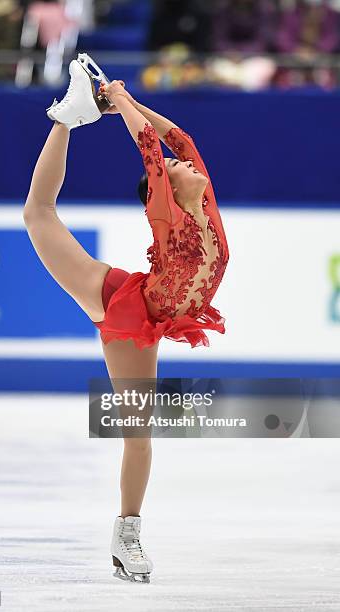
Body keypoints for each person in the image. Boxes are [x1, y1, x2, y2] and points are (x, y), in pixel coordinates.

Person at [23, 56, 229, 582]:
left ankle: (125, 534)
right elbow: (152, 153)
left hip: (159, 315)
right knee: (37, 214)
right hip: (125, 307)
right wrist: (115, 101)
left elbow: (175, 137)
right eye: (179, 169)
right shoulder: (168, 208)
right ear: (165, 189)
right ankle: (64, 118)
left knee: (141, 435)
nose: (188, 165)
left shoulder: (201, 196)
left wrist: (128, 101)